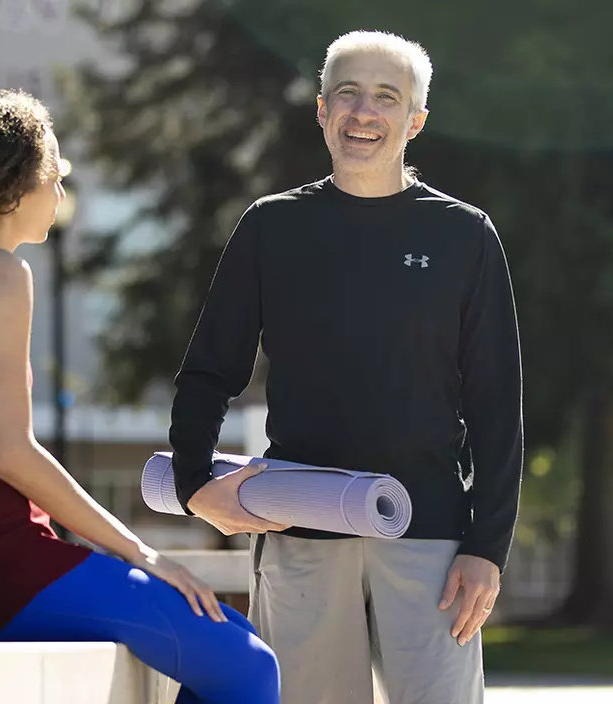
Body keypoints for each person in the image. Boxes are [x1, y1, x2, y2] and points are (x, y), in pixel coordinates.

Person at [0, 89, 279, 704]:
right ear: (10, 186)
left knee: (224, 644)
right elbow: (12, 454)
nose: (62, 183)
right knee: (246, 664)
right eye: (53, 166)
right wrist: (144, 553)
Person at [168, 30, 523, 704]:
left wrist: (488, 548)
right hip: (300, 528)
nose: (365, 113)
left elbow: (497, 404)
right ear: (322, 110)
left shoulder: (464, 235)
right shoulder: (271, 226)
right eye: (348, 95)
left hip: (433, 539)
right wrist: (194, 482)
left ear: (415, 120)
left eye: (386, 99)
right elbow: (209, 370)